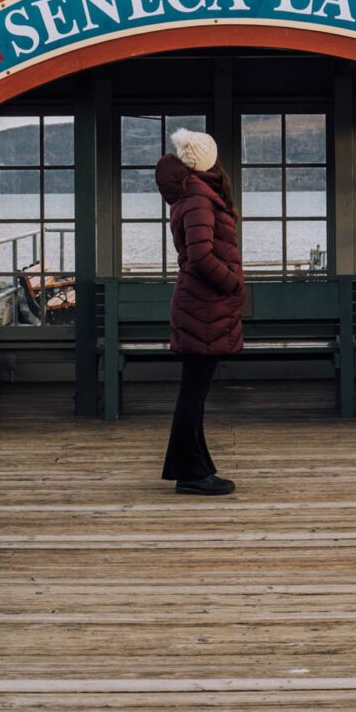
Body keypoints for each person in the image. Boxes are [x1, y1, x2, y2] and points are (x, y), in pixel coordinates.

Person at [154, 127, 244, 496]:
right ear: (207, 160)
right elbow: (200, 257)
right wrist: (233, 283)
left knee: (195, 390)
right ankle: (191, 474)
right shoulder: (198, 200)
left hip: (202, 307)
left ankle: (195, 467)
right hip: (203, 307)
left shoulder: (197, 195)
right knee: (193, 392)